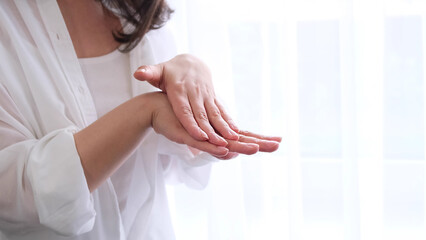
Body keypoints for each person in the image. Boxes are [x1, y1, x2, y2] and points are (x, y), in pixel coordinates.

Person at [0, 0, 281, 239]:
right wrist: (142, 112)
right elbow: (14, 195)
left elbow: (175, 162)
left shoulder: (138, 15)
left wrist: (193, 73)